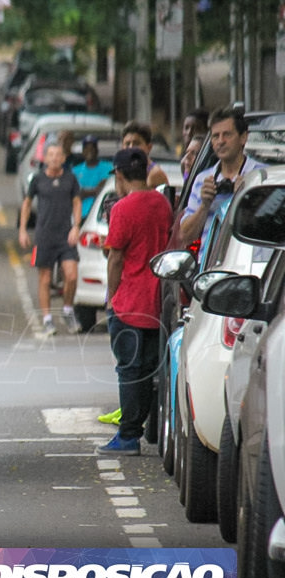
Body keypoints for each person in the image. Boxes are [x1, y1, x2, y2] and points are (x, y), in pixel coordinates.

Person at [95, 148, 174, 456]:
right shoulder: (162, 203)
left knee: (129, 370)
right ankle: (147, 427)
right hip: (157, 301)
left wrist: (112, 300)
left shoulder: (122, 209)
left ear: (120, 175)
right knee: (150, 371)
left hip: (129, 303)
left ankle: (128, 437)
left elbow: (115, 258)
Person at [18, 143, 82, 336]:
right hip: (44, 236)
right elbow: (27, 204)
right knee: (44, 278)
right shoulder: (37, 179)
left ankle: (67, 310)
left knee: (71, 274)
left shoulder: (70, 179)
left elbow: (77, 202)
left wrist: (76, 226)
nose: (55, 158)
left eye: (58, 155)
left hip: (65, 235)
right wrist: (22, 229)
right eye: (51, 155)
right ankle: (47, 319)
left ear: (63, 158)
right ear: (45, 158)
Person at [179, 107, 265, 248]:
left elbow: (273, 229)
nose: (221, 141)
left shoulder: (262, 176)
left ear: (243, 137)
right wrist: (204, 205)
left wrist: (245, 201)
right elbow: (185, 236)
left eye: (227, 135)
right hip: (210, 265)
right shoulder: (202, 179)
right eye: (215, 136)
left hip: (252, 264)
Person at [72, 134, 113, 219]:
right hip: (79, 215)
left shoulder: (108, 167)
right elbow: (76, 194)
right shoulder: (75, 170)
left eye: (92, 148)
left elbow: (107, 191)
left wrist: (85, 192)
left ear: (97, 150)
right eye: (86, 148)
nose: (89, 151)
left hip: (100, 215)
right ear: (83, 151)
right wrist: (95, 190)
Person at [120, 121, 169, 189]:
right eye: (127, 144)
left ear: (149, 147)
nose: (131, 147)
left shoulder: (154, 174)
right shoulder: (123, 172)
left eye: (136, 143)